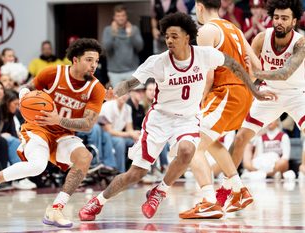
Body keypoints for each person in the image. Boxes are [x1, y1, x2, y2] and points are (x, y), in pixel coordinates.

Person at [78, 12, 274, 221]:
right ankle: (98, 202)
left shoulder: (204, 55)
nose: (169, 40)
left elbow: (234, 64)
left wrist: (254, 90)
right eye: (167, 36)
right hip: (159, 120)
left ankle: (160, 192)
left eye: (174, 36)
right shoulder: (157, 62)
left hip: (187, 119)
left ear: (187, 37)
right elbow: (130, 83)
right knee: (136, 174)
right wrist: (113, 93)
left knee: (189, 149)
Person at [0, 38, 106, 228]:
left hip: (63, 133)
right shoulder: (53, 73)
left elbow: (88, 124)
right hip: (38, 127)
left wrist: (59, 120)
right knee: (37, 166)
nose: (94, 65)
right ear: (75, 59)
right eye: (89, 60)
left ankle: (56, 209)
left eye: (96, 61)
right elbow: (27, 89)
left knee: (84, 157)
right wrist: (25, 100)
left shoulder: (96, 88)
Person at [179, 0, 263, 217]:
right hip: (242, 93)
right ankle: (239, 190)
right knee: (212, 141)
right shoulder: (234, 28)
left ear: (199, 6)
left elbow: (207, 75)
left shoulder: (207, 30)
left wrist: (197, 102)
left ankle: (208, 201)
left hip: (225, 92)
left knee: (192, 143)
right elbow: (258, 67)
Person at [232, 0, 305, 185]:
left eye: (285, 18)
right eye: (277, 17)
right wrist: (253, 91)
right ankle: (229, 187)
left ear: (294, 21)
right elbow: (246, 74)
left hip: (296, 93)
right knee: (241, 137)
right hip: (268, 91)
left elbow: (284, 73)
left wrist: (254, 73)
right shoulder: (261, 39)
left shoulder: (301, 42)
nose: (279, 22)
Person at [102, 5, 144, 87]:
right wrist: (113, 34)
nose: (121, 18)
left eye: (123, 15)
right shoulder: (108, 30)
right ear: (114, 17)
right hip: (115, 73)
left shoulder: (134, 29)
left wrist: (130, 34)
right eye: (118, 16)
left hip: (133, 71)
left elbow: (140, 48)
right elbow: (106, 48)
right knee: (119, 98)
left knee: (138, 97)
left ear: (126, 17)